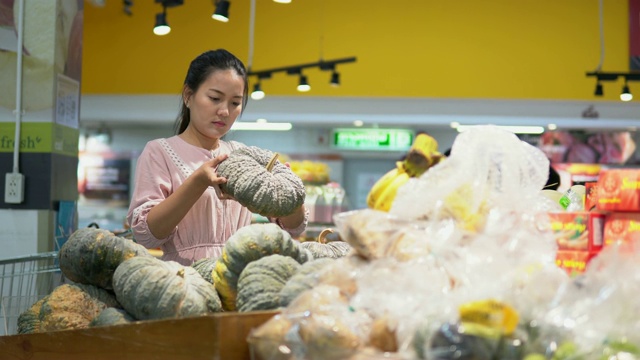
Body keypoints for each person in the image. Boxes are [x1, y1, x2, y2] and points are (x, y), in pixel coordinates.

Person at [127, 49, 308, 266]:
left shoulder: (242, 156)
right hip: (184, 280)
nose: (224, 111)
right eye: (215, 98)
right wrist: (198, 181)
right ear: (188, 95)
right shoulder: (159, 152)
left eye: (235, 103)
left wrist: (289, 194)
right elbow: (147, 235)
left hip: (236, 275)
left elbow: (293, 228)